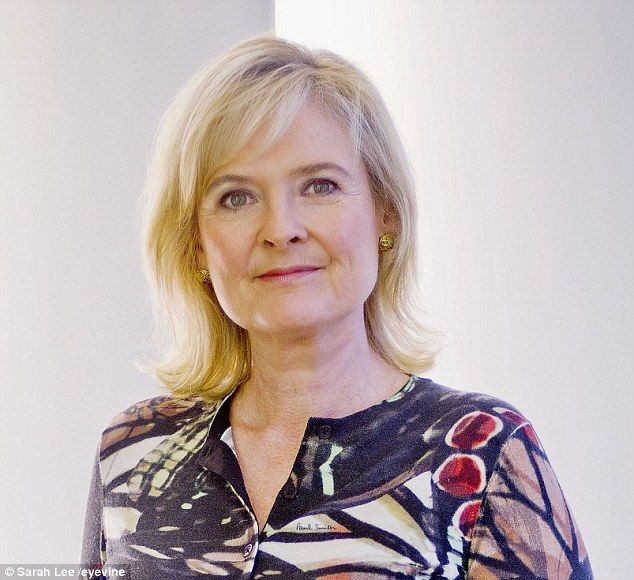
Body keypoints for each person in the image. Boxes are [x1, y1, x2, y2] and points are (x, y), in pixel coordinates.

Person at [80, 35, 593, 579]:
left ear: (385, 214)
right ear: (196, 245)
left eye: (320, 186)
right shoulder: (131, 453)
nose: (281, 229)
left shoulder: (486, 452)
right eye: (236, 197)